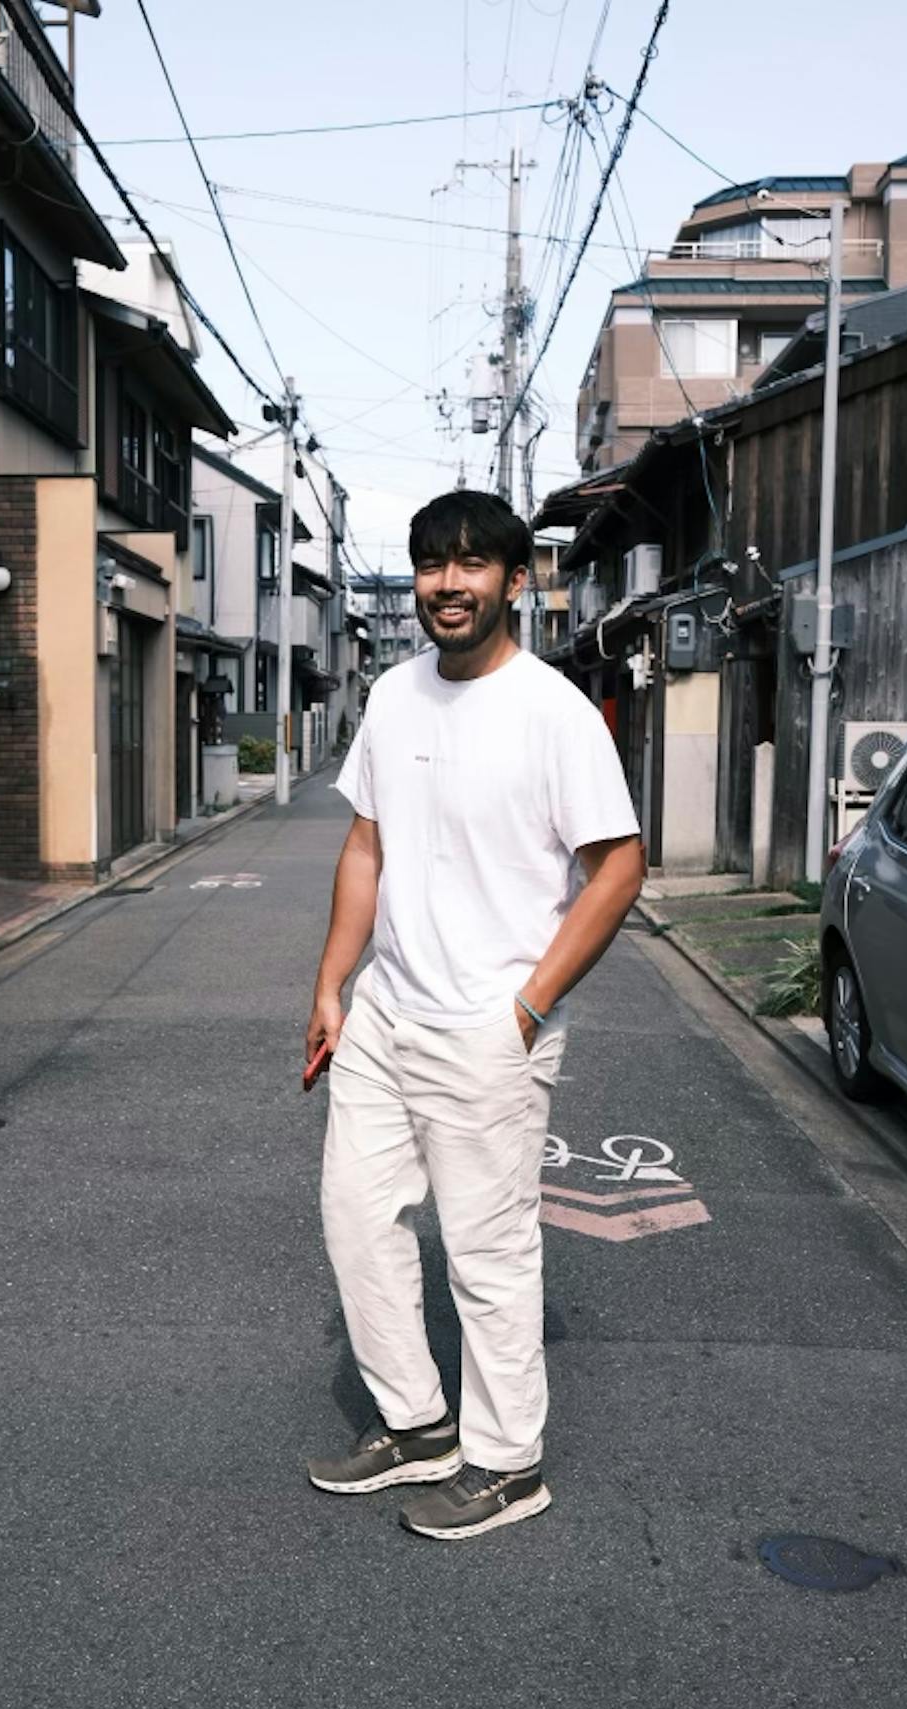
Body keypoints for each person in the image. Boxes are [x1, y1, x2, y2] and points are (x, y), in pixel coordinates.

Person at [305, 490, 643, 1541]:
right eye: (430, 566)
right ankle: (415, 1424)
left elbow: (618, 867)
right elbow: (368, 844)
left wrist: (528, 1009)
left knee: (488, 1255)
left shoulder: (553, 714)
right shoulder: (398, 696)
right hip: (385, 1016)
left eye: (471, 565)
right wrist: (331, 983)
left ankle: (507, 1462)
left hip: (486, 1030)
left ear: (513, 579)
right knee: (357, 1220)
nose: (448, 585)